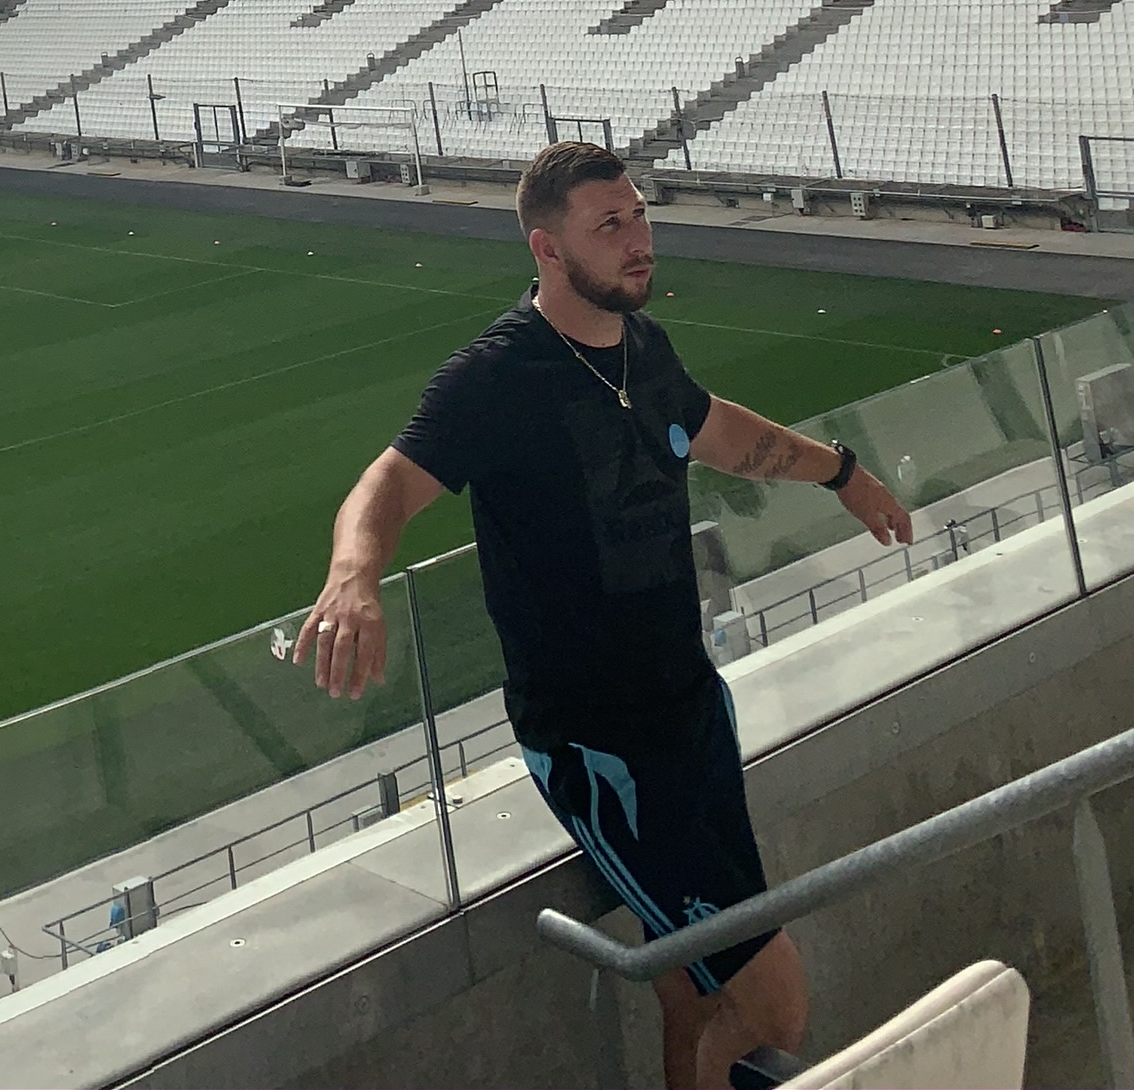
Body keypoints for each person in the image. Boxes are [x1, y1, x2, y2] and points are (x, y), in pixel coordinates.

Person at [299, 142, 914, 1090]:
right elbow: (383, 484)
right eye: (610, 226)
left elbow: (717, 430)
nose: (639, 242)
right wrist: (352, 578)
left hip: (691, 710)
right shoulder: (497, 376)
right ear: (548, 249)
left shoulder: (643, 348)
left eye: (639, 216)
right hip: (601, 749)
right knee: (773, 1001)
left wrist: (841, 472)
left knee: (694, 993)